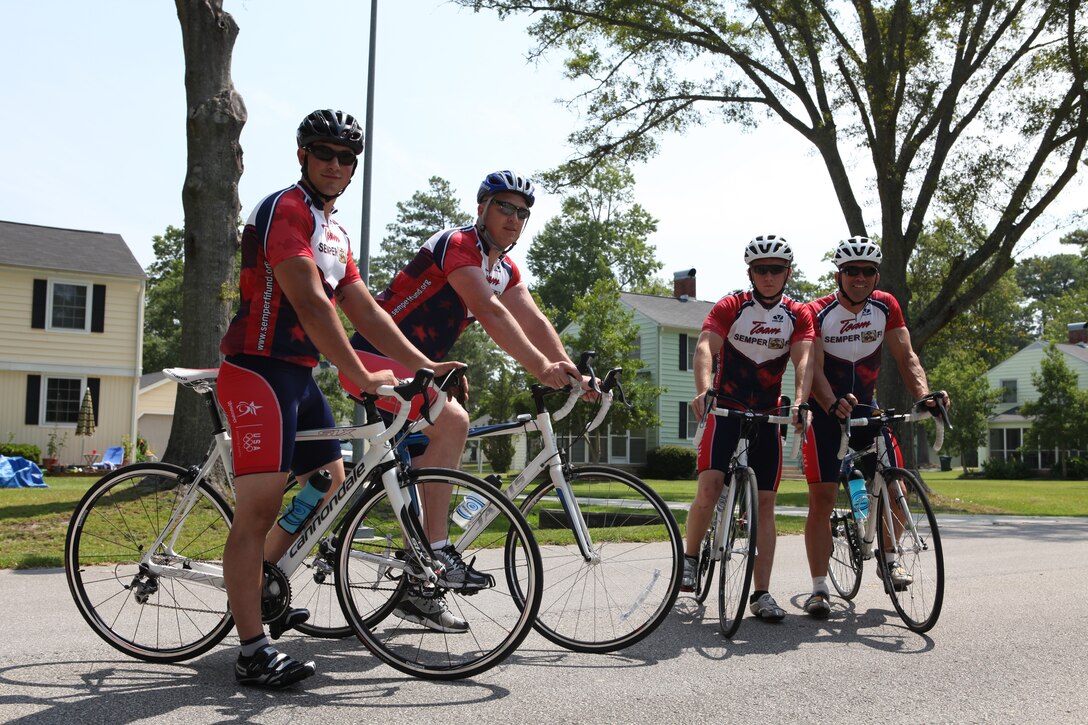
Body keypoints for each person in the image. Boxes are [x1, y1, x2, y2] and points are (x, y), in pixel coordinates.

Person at [217, 109, 461, 688]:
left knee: (328, 480)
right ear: (303, 156)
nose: (334, 164)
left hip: (297, 377)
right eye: (324, 153)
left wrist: (422, 364)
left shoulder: (334, 231)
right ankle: (251, 650)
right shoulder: (287, 209)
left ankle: (267, 581)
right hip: (256, 371)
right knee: (258, 509)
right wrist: (358, 377)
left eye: (345, 157)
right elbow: (309, 301)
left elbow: (362, 307)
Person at [349, 170, 587, 633]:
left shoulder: (504, 268)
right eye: (504, 207)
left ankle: (419, 588)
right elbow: (489, 310)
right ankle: (438, 552)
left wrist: (573, 371)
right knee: (454, 422)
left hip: (417, 372)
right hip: (372, 357)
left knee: (425, 474)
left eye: (523, 212)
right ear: (481, 208)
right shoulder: (457, 245)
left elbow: (533, 320)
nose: (514, 218)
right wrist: (541, 368)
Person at [800, 236, 950, 618]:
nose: (860, 278)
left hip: (868, 408)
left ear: (876, 275)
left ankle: (888, 557)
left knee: (896, 485)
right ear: (840, 274)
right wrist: (831, 402)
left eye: (867, 271)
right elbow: (812, 368)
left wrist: (925, 395)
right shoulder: (817, 312)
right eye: (852, 271)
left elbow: (906, 355)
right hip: (827, 412)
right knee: (822, 500)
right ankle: (819, 589)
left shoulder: (886, 306)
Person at [681, 235, 814, 622]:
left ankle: (761, 594)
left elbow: (804, 361)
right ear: (750, 273)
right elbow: (706, 346)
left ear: (788, 273)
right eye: (761, 269)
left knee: (766, 505)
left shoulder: (798, 314)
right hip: (726, 408)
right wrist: (703, 391)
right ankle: (690, 560)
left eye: (776, 269)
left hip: (768, 413)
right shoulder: (732, 306)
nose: (768, 276)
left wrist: (802, 400)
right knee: (709, 486)